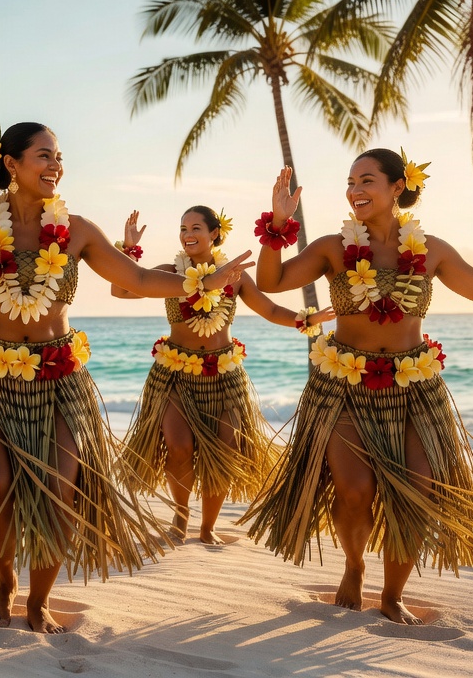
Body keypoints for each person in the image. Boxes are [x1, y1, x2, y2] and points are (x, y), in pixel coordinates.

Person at [0, 120, 253, 633]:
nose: (56, 165)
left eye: (59, 156)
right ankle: (5, 580)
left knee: (58, 491)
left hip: (57, 381)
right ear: (11, 164)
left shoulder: (77, 231)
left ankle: (39, 600)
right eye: (44, 155)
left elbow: (135, 278)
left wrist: (202, 280)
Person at [241, 150, 473, 624]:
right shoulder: (333, 246)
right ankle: (353, 567)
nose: (355, 190)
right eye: (350, 182)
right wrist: (277, 225)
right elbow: (273, 280)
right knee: (353, 489)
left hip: (415, 390)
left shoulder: (431, 249)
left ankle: (392, 594)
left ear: (397, 187)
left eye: (366, 180)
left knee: (421, 489)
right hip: (344, 387)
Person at [110, 206, 333, 544]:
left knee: (224, 451)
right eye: (182, 227)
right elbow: (122, 291)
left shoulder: (235, 276)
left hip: (224, 376)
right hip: (174, 374)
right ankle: (181, 518)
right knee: (178, 446)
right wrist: (127, 251)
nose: (187, 234)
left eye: (196, 227)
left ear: (214, 233)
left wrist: (307, 320)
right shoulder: (171, 273)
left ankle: (207, 527)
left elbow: (270, 309)